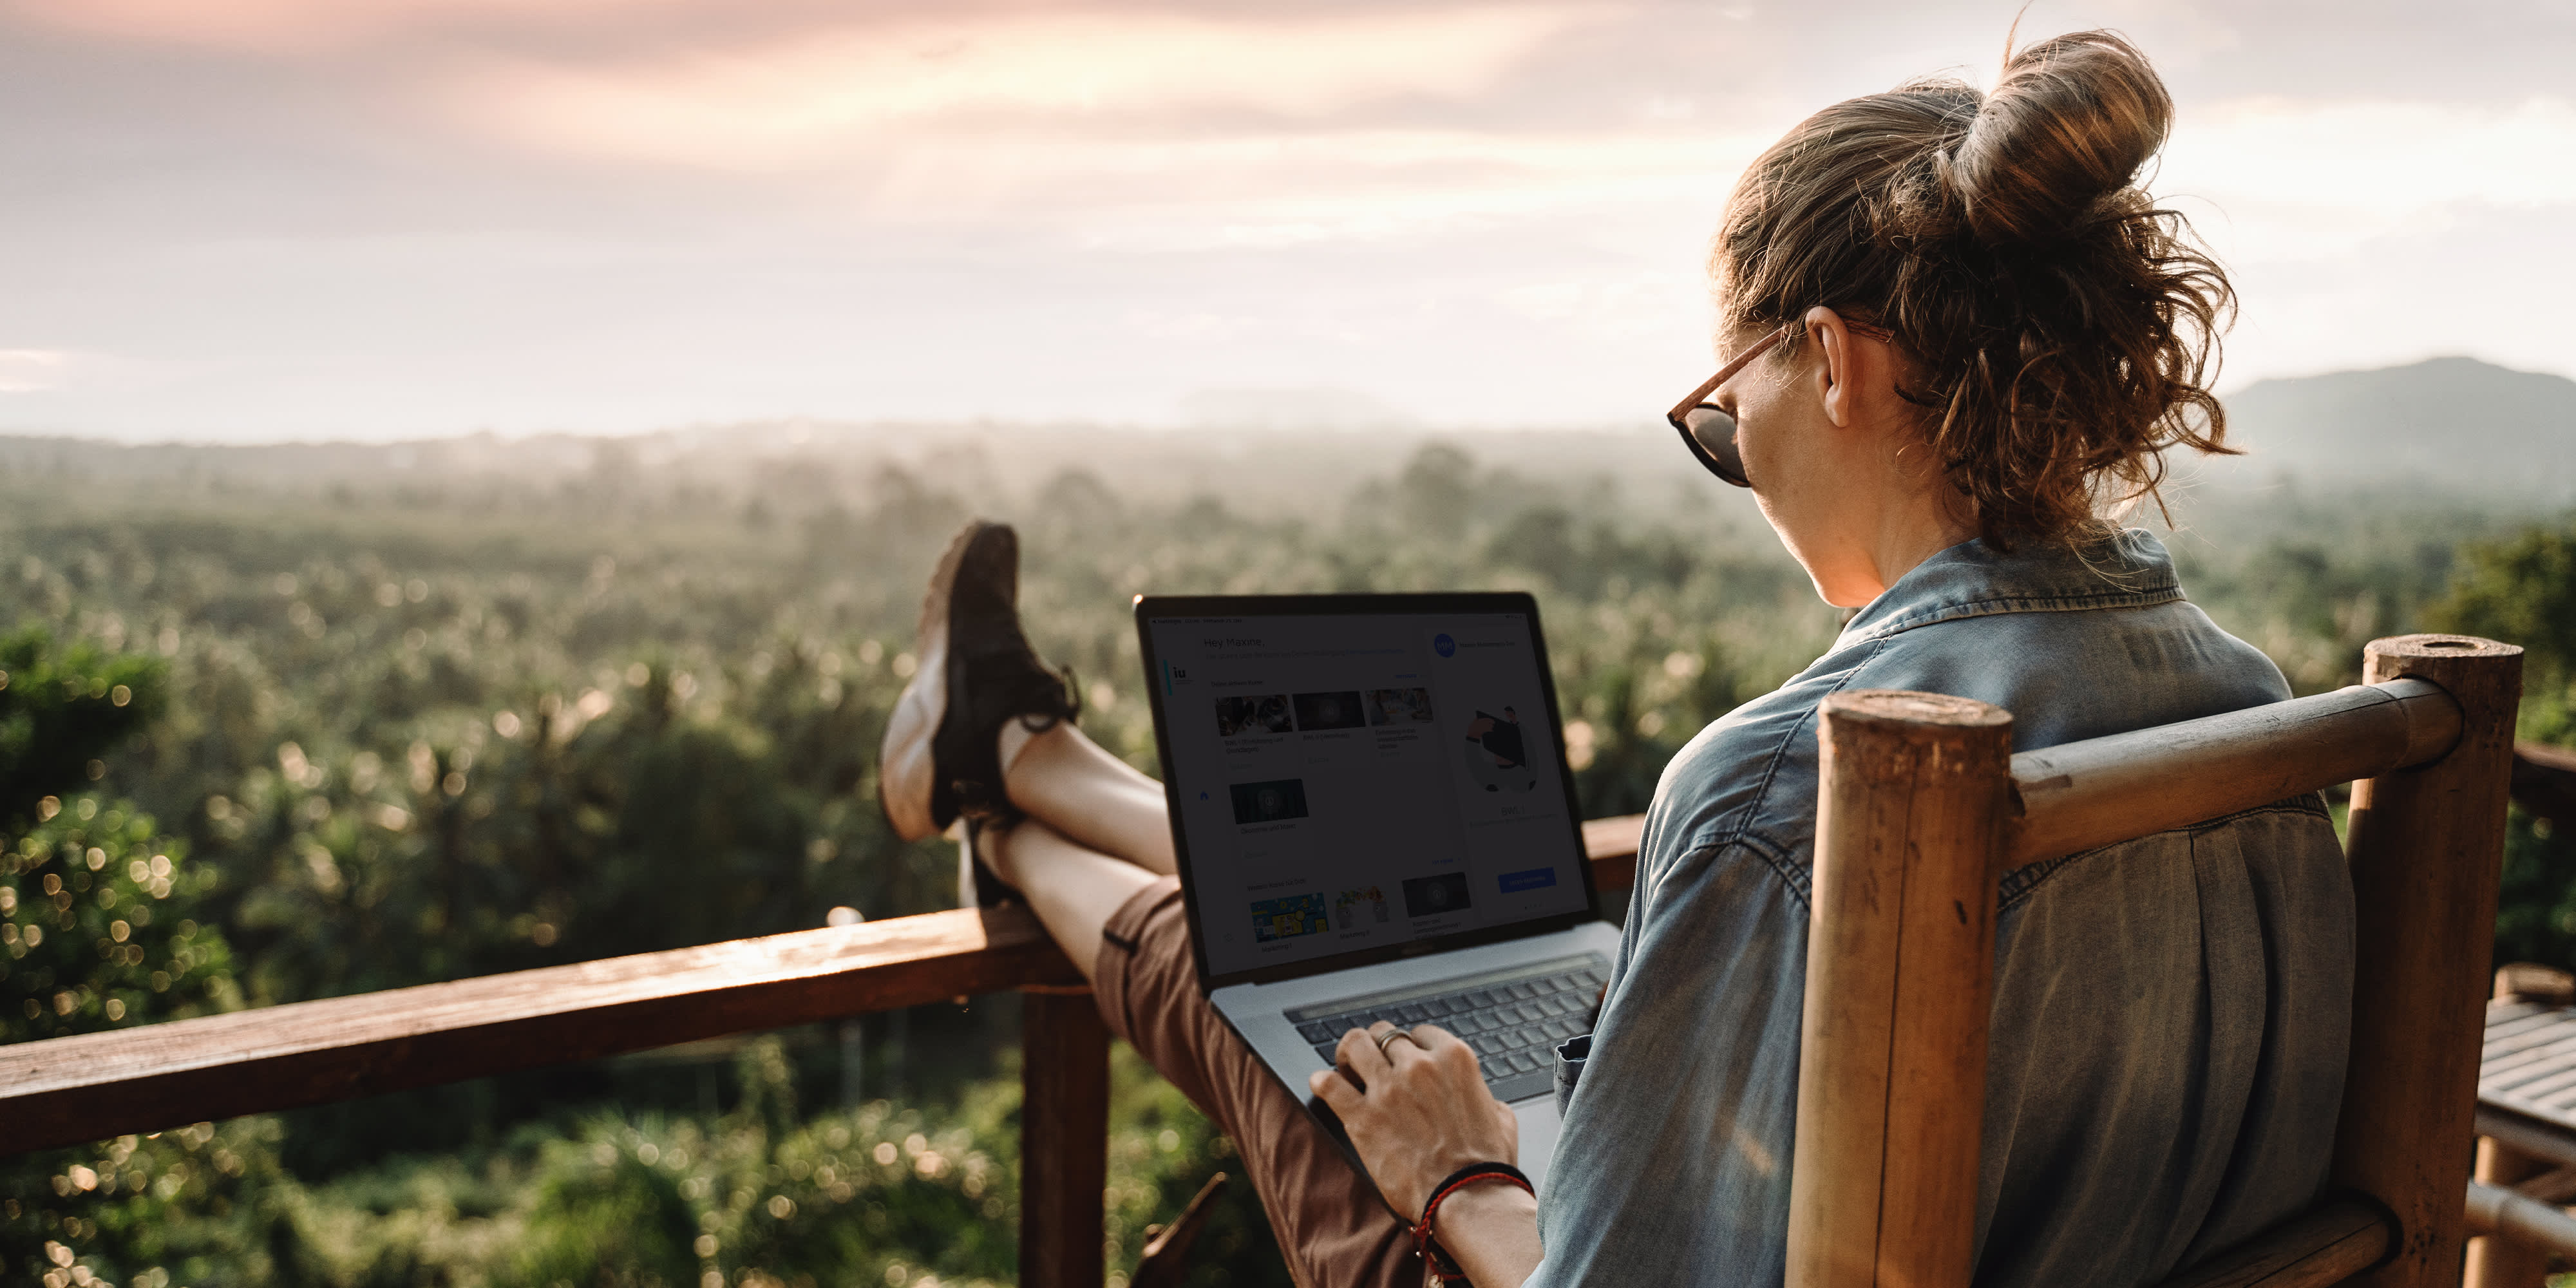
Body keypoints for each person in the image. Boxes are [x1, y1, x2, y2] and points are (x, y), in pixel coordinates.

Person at [875, 29, 2351, 1287]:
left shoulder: (1791, 786)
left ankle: (1002, 801)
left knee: (1263, 1002)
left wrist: (1458, 1174)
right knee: (1325, 945)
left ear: (1829, 363)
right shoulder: (2256, 713)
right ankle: (1018, 759)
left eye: (1722, 413)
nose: (1736, 459)